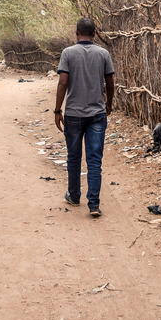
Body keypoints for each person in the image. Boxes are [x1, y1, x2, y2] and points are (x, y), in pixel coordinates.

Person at [54, 17, 115, 217]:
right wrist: (109, 104)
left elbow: (63, 83)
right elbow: (110, 82)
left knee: (74, 157)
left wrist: (57, 110)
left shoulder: (68, 53)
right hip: (97, 114)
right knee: (94, 160)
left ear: (76, 33)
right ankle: (94, 204)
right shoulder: (103, 53)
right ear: (95, 34)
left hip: (73, 113)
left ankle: (73, 195)